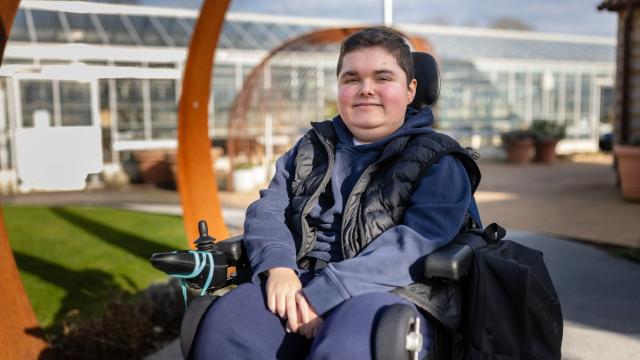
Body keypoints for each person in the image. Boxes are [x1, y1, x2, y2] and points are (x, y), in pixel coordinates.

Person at [193, 26, 481, 359]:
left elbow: (414, 244)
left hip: (393, 290)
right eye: (352, 79)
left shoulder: (439, 160)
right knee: (228, 323)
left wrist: (327, 292)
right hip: (299, 278)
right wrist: (279, 268)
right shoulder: (308, 150)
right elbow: (268, 210)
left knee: (352, 343)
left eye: (383, 78)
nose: (366, 90)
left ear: (410, 90)